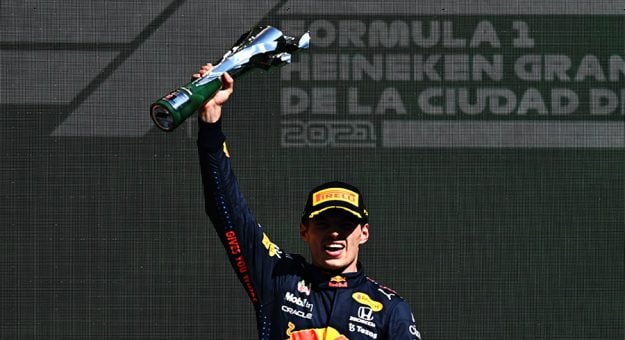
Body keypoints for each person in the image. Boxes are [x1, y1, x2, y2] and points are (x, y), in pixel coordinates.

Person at [195, 64, 421, 340]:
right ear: (304, 231)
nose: (334, 232)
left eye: (346, 224)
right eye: (323, 223)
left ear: (364, 233)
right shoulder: (279, 277)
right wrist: (210, 124)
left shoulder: (389, 308)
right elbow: (227, 211)